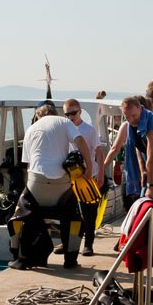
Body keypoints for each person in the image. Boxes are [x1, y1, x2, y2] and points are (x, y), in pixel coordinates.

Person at [16, 104, 94, 269]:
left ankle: (24, 258)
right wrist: (89, 167)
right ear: (54, 113)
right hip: (61, 183)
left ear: (39, 116)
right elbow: (80, 141)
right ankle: (70, 260)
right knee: (71, 217)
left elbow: (28, 165)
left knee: (24, 213)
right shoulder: (64, 122)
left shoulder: (30, 129)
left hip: (36, 182)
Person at [106, 95, 153, 212]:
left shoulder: (152, 124)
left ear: (140, 109)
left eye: (133, 115)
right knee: (142, 203)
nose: (131, 120)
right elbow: (125, 148)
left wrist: (150, 187)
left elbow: (152, 159)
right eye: (127, 117)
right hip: (150, 167)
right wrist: (101, 168)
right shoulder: (131, 126)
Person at [62, 98, 104, 256]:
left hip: (88, 175)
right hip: (71, 177)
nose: (70, 116)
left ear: (79, 112)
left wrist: (100, 174)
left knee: (89, 212)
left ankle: (89, 244)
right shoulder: (64, 129)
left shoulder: (89, 130)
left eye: (73, 113)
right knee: (69, 212)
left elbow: (98, 152)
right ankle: (67, 243)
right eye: (67, 114)